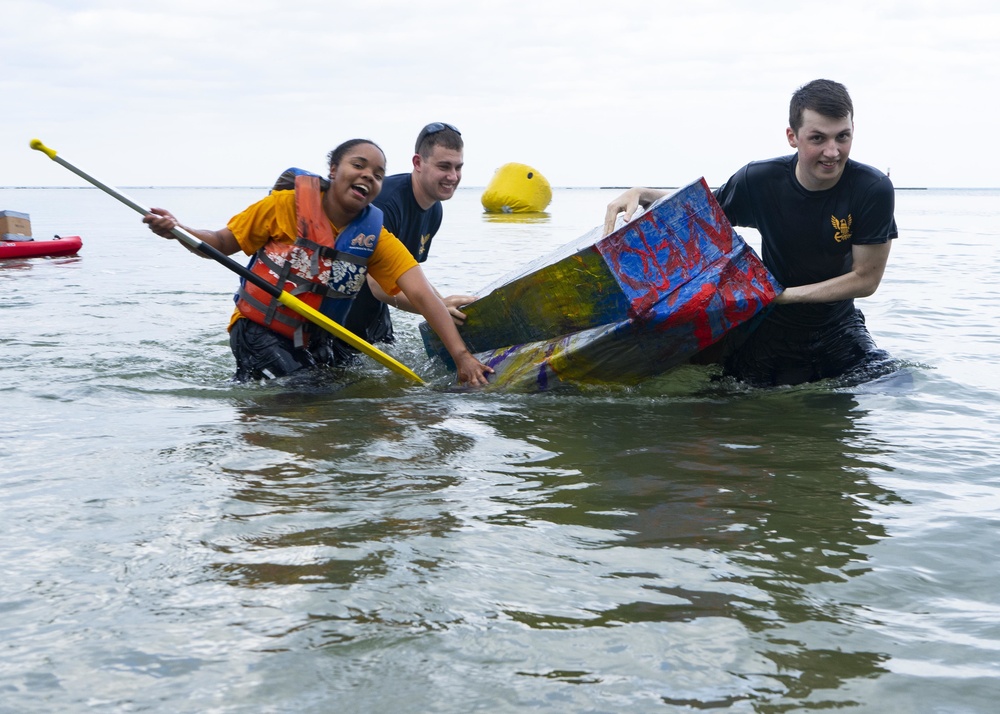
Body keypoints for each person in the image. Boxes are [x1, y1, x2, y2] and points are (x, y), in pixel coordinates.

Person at [604, 79, 896, 387]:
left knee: (891, 382)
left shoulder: (871, 189)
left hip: (838, 325)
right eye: (818, 138)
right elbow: (699, 212)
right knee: (728, 403)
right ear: (792, 137)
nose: (832, 152)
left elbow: (866, 279)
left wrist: (784, 296)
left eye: (843, 137)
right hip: (772, 328)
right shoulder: (759, 181)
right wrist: (642, 192)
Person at [142, 138, 493, 387]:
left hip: (313, 338)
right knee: (304, 397)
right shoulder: (283, 207)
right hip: (258, 332)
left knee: (342, 392)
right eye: (359, 165)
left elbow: (421, 293)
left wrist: (461, 356)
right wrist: (178, 230)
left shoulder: (374, 237)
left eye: (378, 174)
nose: (369, 176)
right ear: (334, 170)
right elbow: (219, 243)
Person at [342, 122, 476, 345]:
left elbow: (410, 270)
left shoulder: (435, 210)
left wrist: (442, 304)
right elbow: (377, 285)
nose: (453, 177)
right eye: (444, 167)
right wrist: (437, 308)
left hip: (375, 319)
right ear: (418, 163)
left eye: (458, 167)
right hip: (339, 317)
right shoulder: (383, 203)